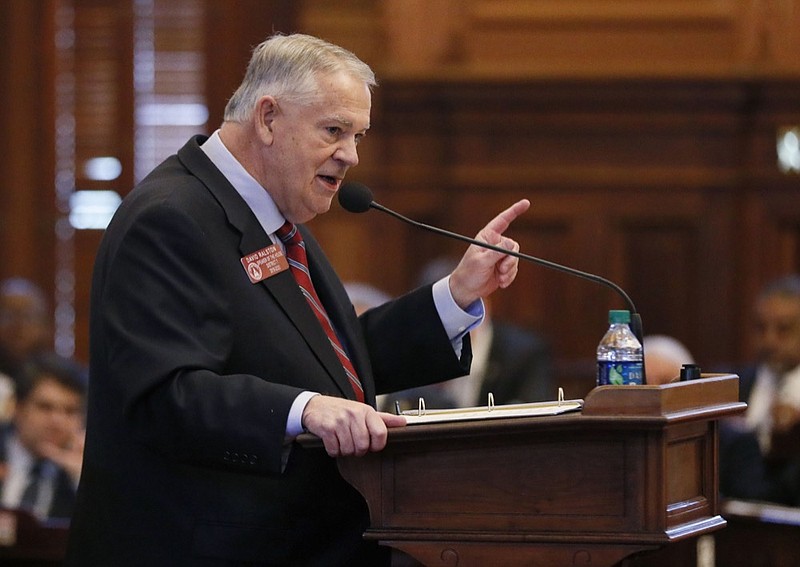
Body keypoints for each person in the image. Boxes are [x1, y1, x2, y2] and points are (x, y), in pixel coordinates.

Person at [65, 33, 530, 566]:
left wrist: (457, 294)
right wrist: (303, 410)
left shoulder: (274, 220)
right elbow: (165, 395)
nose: (351, 155)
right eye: (334, 130)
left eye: (358, 135)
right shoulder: (171, 218)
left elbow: (335, 364)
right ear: (267, 118)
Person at [383, 256, 553, 412]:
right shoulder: (413, 352)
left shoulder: (524, 354)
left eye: (460, 307)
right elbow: (396, 408)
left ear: (484, 304)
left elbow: (535, 419)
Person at [0, 352, 86, 520]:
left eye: (70, 411)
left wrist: (83, 482)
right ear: (17, 408)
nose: (58, 422)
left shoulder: (88, 472)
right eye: (45, 407)